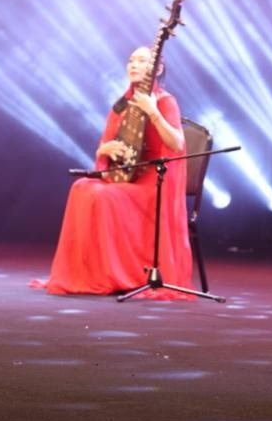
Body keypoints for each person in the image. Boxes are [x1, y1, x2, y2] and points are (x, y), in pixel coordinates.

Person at [41, 46, 193, 299]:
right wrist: (105, 149)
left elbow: (177, 144)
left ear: (158, 69)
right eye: (131, 60)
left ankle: (119, 275)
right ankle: (88, 274)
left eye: (142, 61)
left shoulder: (166, 101)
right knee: (81, 187)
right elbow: (105, 146)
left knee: (104, 196)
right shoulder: (122, 105)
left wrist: (153, 112)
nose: (134, 65)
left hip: (153, 181)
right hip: (127, 175)